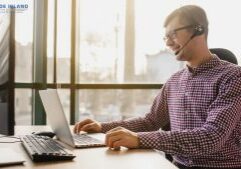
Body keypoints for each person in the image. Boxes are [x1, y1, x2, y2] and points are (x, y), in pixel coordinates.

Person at [74, 5, 241, 169]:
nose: (168, 42)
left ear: (198, 30)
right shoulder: (175, 80)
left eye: (173, 34)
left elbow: (212, 136)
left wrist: (139, 139)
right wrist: (102, 127)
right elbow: (151, 121)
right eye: (165, 37)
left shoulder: (233, 77)